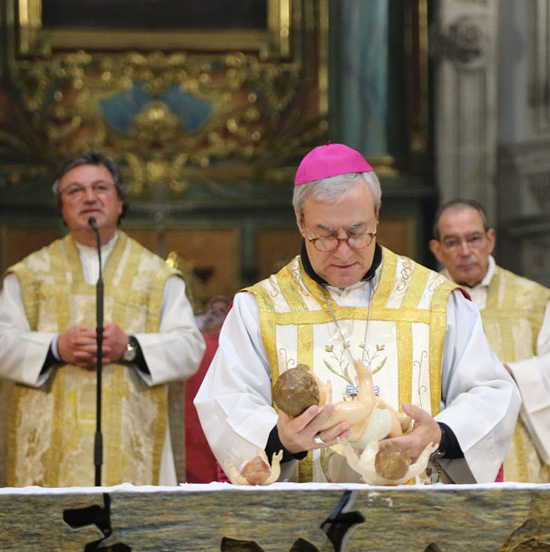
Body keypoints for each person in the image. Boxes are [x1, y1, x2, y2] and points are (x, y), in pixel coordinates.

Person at [194, 143, 520, 483]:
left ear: (377, 215)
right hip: (299, 523)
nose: (343, 250)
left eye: (357, 232)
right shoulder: (260, 307)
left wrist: (439, 435)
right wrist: (282, 440)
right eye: (325, 235)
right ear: (301, 222)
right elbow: (227, 401)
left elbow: (491, 393)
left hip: (416, 517)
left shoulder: (436, 300)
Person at [0, 150, 205, 487]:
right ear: (61, 206)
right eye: (75, 191)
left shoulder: (156, 277)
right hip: (49, 456)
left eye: (100, 188)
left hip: (131, 449)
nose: (89, 198)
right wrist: (56, 348)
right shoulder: (30, 276)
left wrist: (128, 347)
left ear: (119, 202)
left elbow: (190, 347)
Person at [430, 199, 550, 482]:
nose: (465, 251)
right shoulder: (425, 303)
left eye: (473, 239)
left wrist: (513, 376)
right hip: (452, 453)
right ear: (436, 249)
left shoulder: (531, 301)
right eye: (452, 242)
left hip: (519, 448)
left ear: (490, 240)